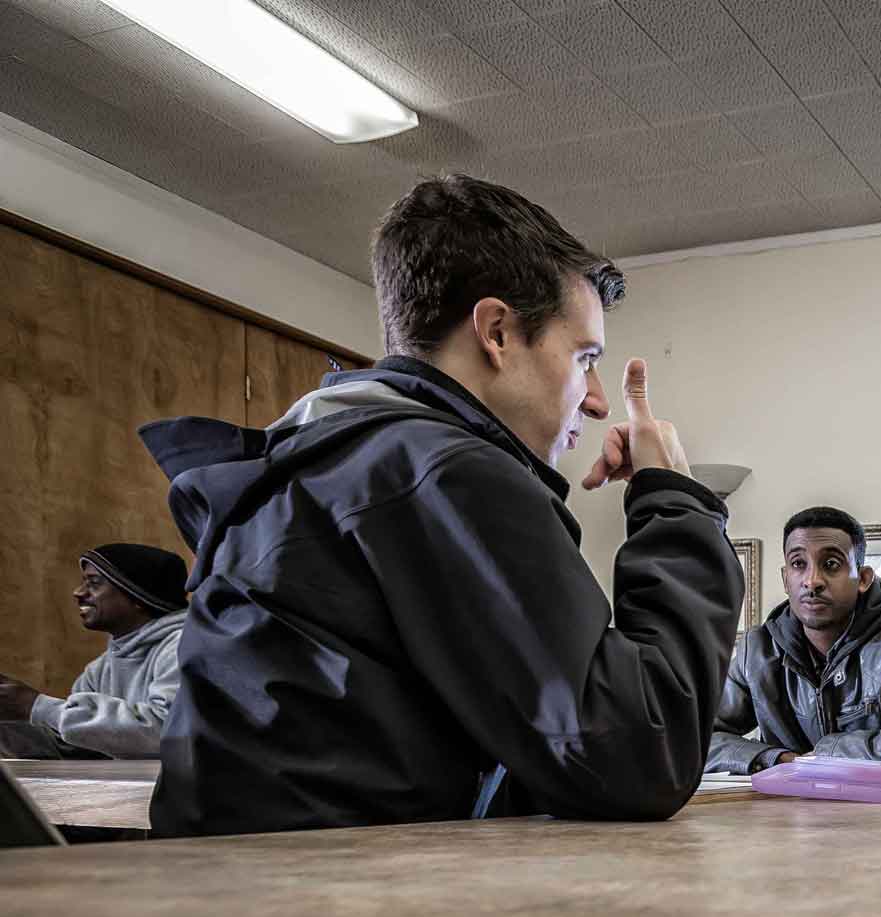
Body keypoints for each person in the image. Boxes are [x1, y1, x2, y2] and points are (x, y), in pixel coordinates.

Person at [135, 174, 742, 836]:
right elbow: (639, 757)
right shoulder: (442, 471)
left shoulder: (334, 461)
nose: (595, 400)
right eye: (583, 357)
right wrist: (676, 504)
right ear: (498, 333)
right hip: (324, 915)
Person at [706, 507, 881, 773]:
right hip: (783, 809)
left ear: (863, 579)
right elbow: (699, 740)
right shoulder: (757, 650)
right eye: (798, 564)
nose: (812, 580)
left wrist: (818, 757)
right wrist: (778, 759)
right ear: (786, 579)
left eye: (831, 564)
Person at [0, 545, 188, 759]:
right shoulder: (99, 669)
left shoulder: (182, 648)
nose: (78, 592)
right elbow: (75, 749)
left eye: (94, 583)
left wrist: (37, 706)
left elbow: (165, 733)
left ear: (138, 595)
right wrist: (10, 718)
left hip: (184, 792)